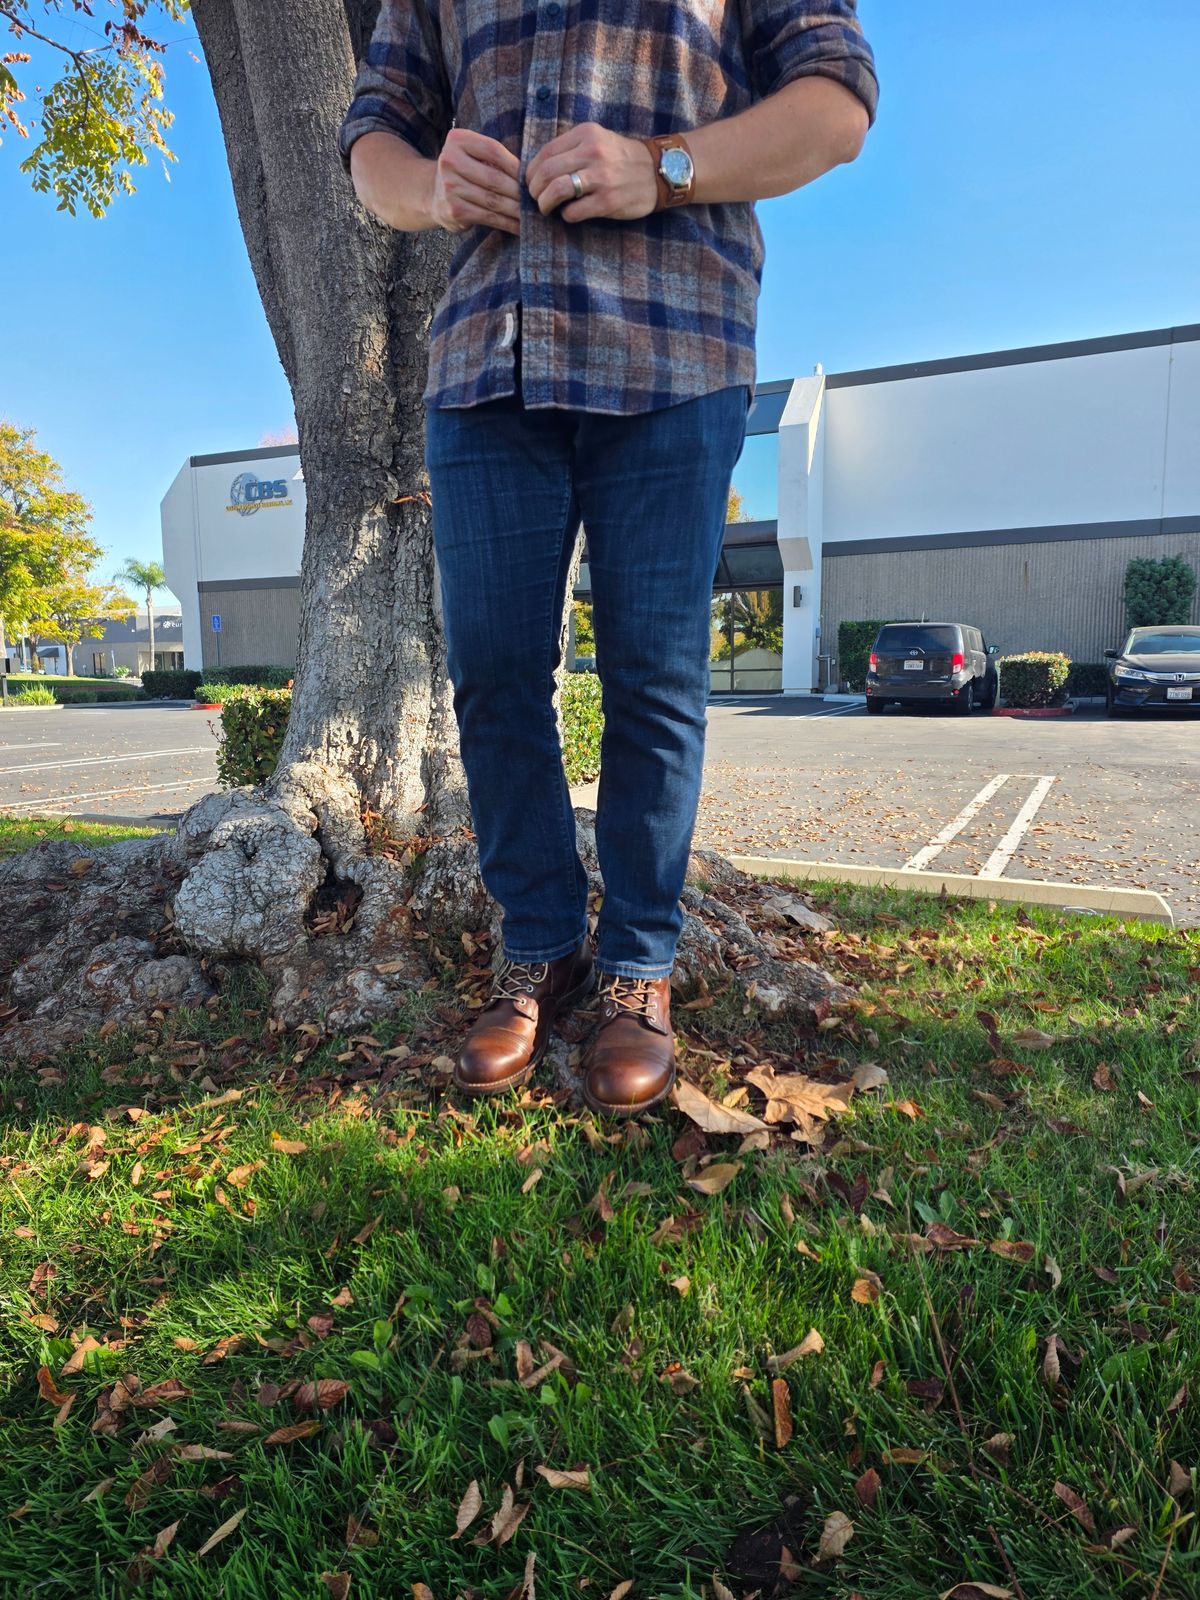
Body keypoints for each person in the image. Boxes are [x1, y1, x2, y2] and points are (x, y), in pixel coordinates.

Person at [338, 0, 878, 1118]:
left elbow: (834, 108)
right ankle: (538, 946)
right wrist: (431, 186)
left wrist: (663, 164)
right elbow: (375, 138)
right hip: (490, 354)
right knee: (490, 670)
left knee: (653, 674)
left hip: (675, 337)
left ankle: (637, 963)